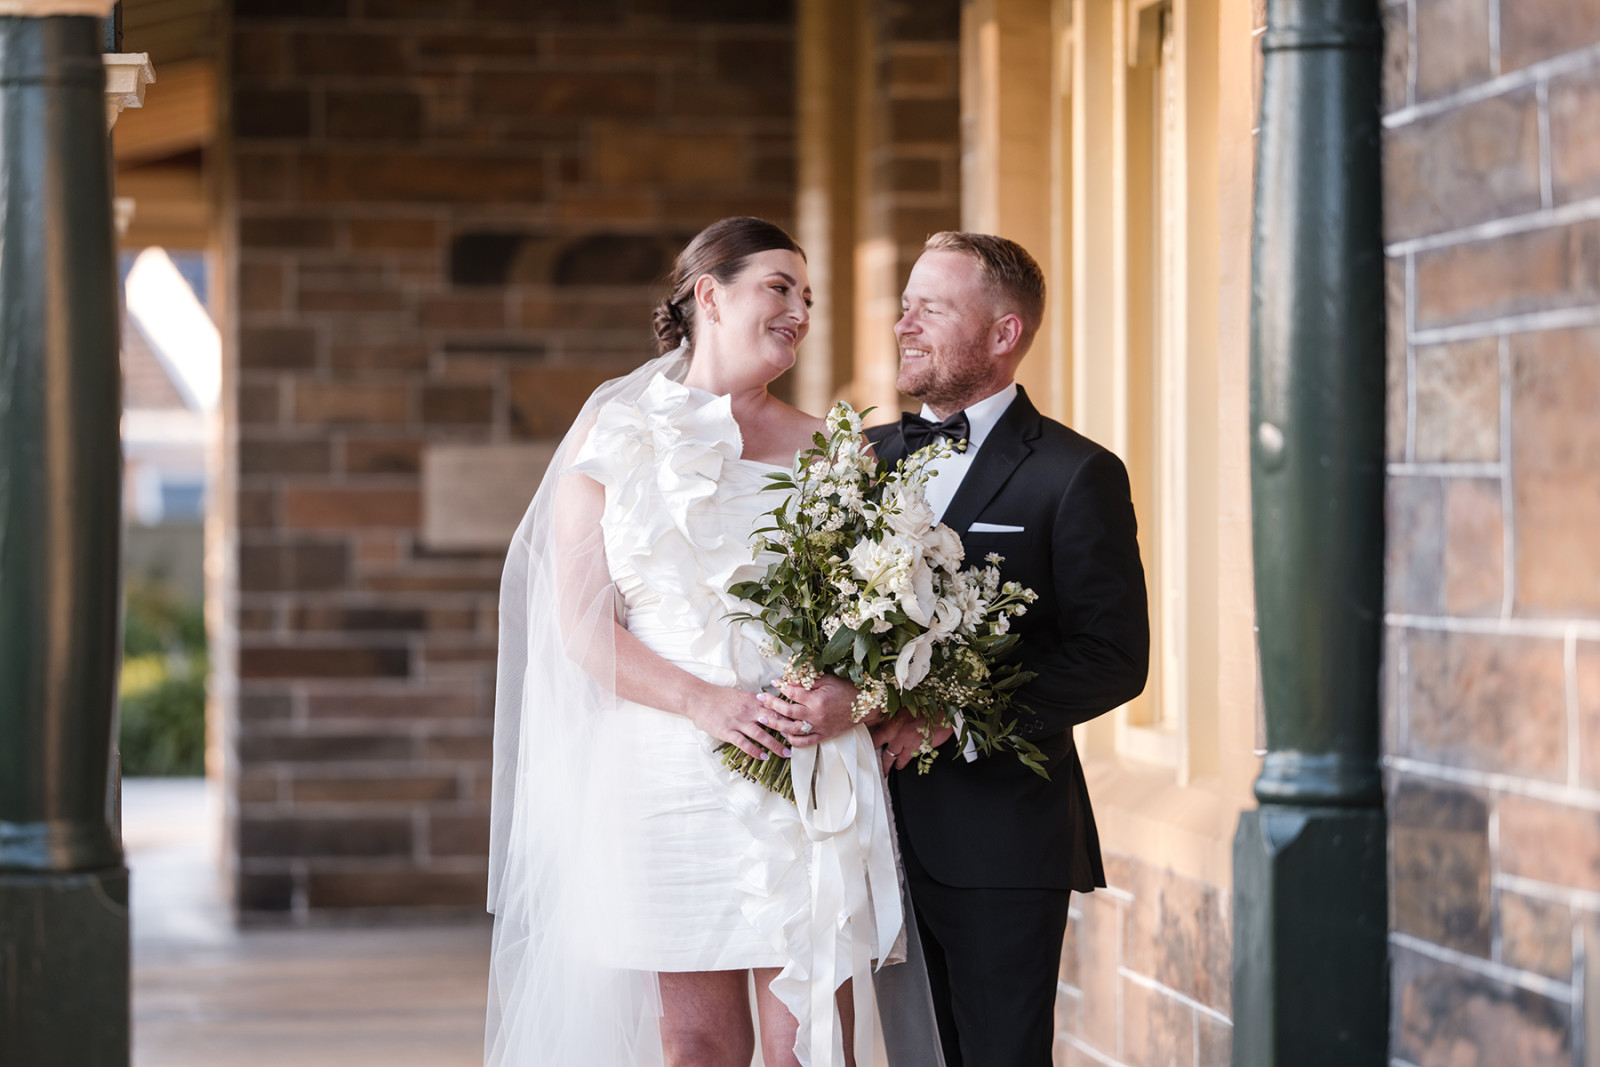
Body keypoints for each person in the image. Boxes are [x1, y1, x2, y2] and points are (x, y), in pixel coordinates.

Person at [485, 217, 920, 1067]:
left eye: (807, 295)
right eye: (779, 288)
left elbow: (882, 626)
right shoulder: (610, 435)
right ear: (709, 295)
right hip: (665, 774)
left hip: (801, 769)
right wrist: (708, 704)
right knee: (696, 1045)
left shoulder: (833, 449)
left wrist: (849, 697)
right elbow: (580, 625)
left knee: (812, 1045)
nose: (799, 309)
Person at [869, 232, 1151, 1067]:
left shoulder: (1076, 473)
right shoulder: (857, 460)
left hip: (998, 841)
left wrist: (952, 715)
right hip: (864, 836)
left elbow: (1112, 657)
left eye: (933, 308)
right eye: (907, 303)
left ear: (1004, 334)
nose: (904, 323)